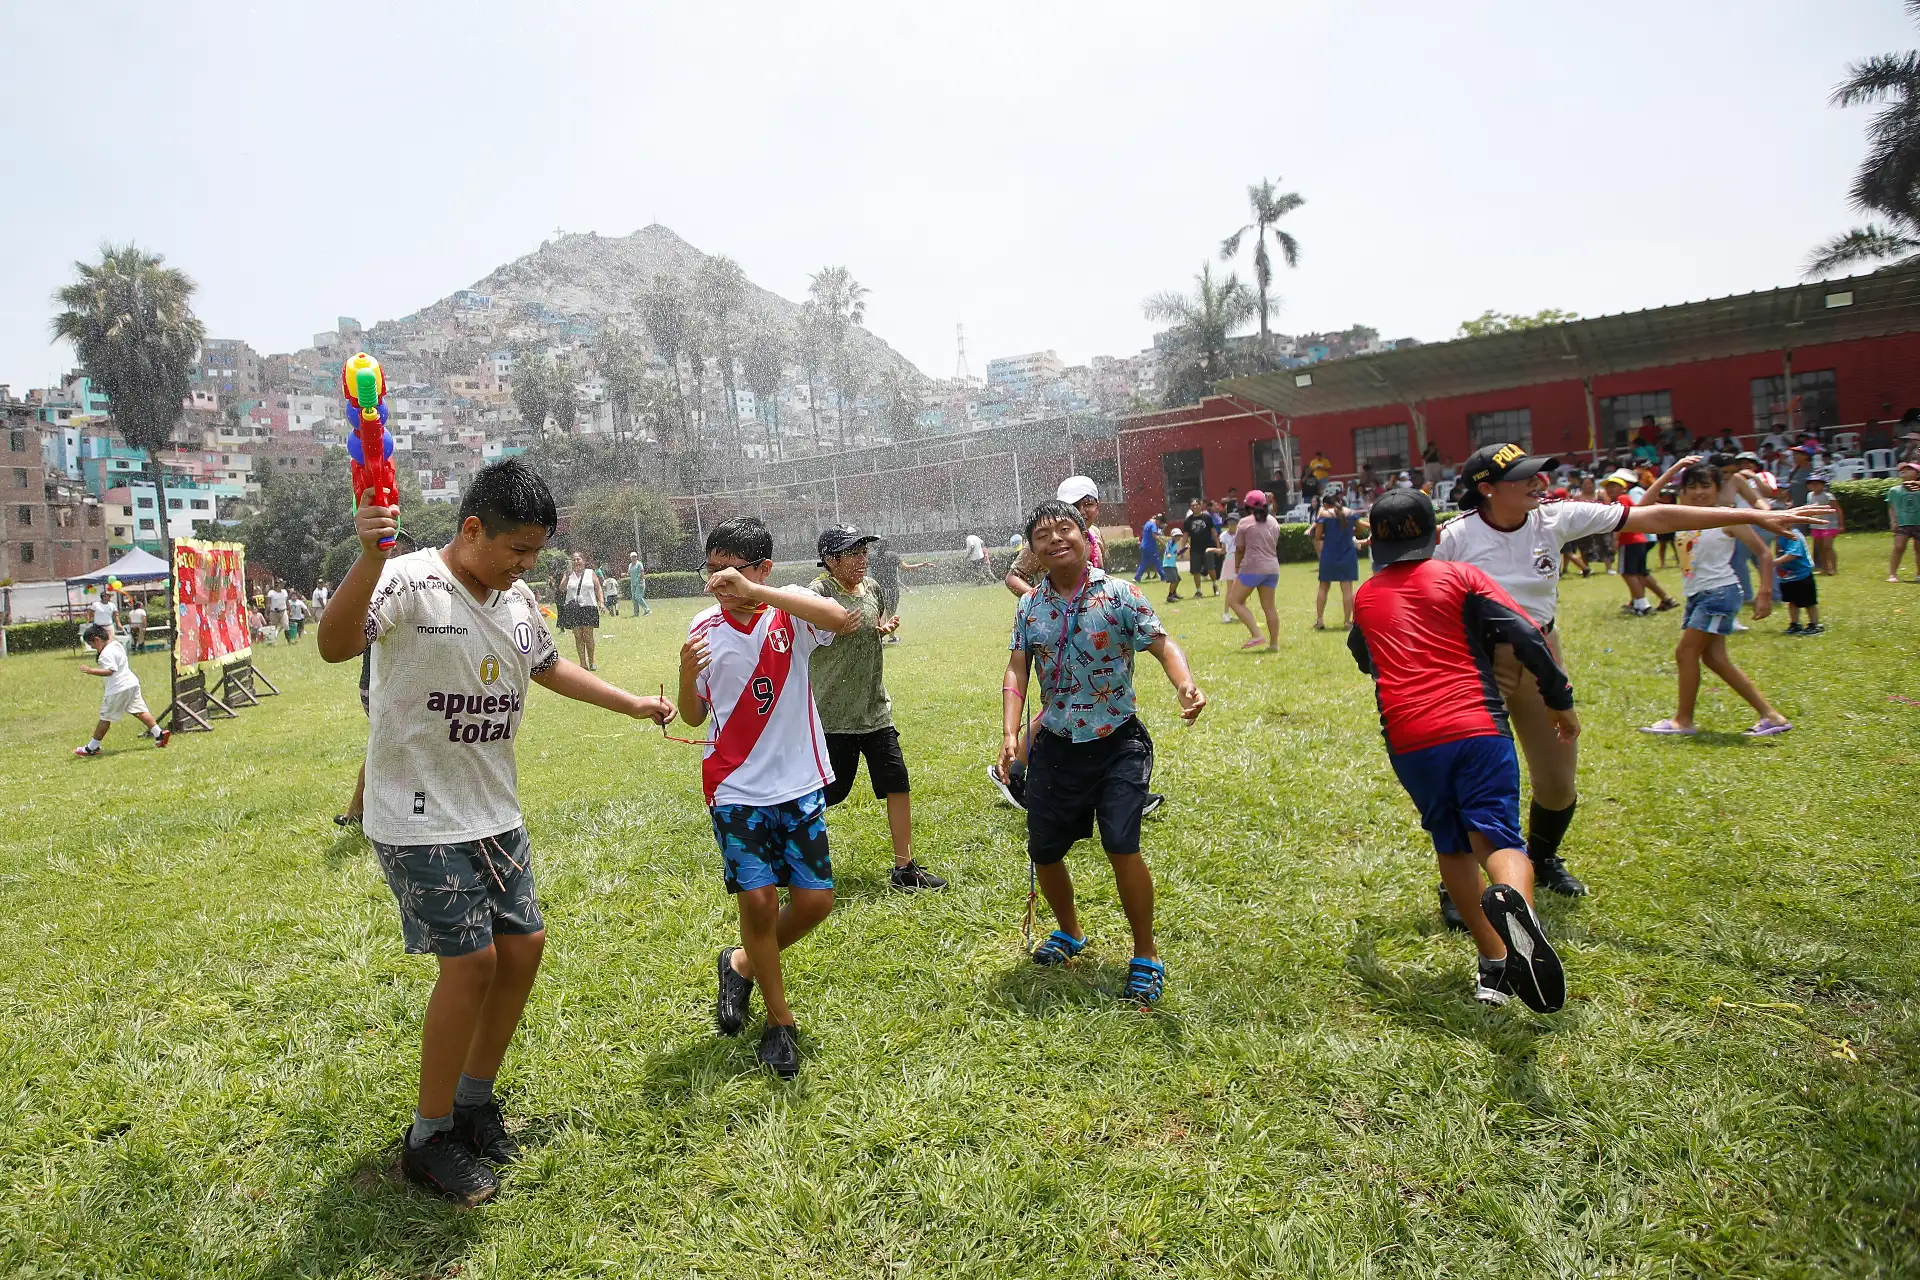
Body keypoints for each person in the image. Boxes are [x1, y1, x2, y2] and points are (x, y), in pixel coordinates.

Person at [315, 459, 672, 1204]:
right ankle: (428, 1137)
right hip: (416, 816)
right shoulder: (408, 580)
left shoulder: (516, 602)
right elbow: (335, 643)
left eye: (537, 553)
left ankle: (474, 1102)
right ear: (471, 528)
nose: (527, 567)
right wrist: (369, 554)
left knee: (525, 948)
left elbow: (548, 669)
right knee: (471, 963)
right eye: (517, 550)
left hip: (493, 811)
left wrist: (632, 703)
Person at [1435, 443, 1830, 917]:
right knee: (1475, 779)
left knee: (1558, 782)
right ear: (1487, 489)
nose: (1539, 484)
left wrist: (1755, 516)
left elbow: (1655, 518)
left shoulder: (1554, 518)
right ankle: (1458, 884)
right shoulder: (1455, 538)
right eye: (1525, 478)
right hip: (1478, 663)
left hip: (1542, 655)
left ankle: (1541, 859)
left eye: (1539, 475)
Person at [1347, 490, 1569, 1011]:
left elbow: (1362, 655)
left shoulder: (1366, 595)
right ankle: (1521, 921)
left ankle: (1494, 963)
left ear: (1374, 542)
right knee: (1498, 837)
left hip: (1409, 739)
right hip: (1476, 726)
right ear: (1438, 535)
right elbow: (1527, 634)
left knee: (1451, 845)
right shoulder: (1461, 576)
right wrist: (1559, 701)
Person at [999, 499, 1205, 1006]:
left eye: (1063, 529)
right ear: (1033, 549)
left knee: (1121, 844)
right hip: (1057, 745)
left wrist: (1185, 684)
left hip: (1117, 744)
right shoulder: (1030, 606)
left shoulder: (1119, 594)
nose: (1054, 540)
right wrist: (1009, 732)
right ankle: (1070, 932)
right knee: (1044, 850)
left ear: (1082, 534)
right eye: (1042, 535)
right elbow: (1017, 669)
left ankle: (1145, 954)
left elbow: (1160, 643)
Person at [680, 517, 857, 1079]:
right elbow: (692, 714)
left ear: (762, 569)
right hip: (734, 786)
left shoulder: (791, 610)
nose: (718, 582)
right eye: (711, 569)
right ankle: (780, 1023)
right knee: (756, 903)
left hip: (800, 781)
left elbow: (843, 619)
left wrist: (755, 594)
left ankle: (738, 964)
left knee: (815, 904)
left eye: (730, 569)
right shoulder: (704, 627)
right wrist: (687, 675)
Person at [807, 524, 947, 892]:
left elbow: (875, 621)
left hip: (875, 708)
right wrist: (833, 627)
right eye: (852, 553)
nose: (862, 559)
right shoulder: (817, 593)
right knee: (833, 792)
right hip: (834, 713)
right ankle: (796, 856)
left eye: (863, 552)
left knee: (897, 781)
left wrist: (882, 629)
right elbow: (806, 635)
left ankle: (905, 868)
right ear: (830, 560)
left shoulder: (873, 589)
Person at [1640, 463, 1792, 737]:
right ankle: (1771, 716)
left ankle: (1683, 721)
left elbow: (1764, 553)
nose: (1699, 492)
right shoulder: (1679, 516)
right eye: (1692, 487)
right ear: (1682, 492)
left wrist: (1765, 592)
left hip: (1719, 593)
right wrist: (1672, 470)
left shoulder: (1727, 517)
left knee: (1685, 653)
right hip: (1698, 594)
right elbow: (1642, 506)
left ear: (1717, 489)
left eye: (1705, 486)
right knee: (1714, 658)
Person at [73, 622, 169, 755]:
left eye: (93, 645)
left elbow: (110, 671)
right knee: (139, 711)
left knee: (105, 717)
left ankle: (92, 747)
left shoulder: (105, 654)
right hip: (131, 683)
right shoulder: (115, 644)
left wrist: (91, 670)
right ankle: (159, 734)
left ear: (97, 640)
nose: (94, 648)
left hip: (118, 688)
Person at [1007, 477, 1107, 596]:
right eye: (1073, 505)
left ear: (1097, 506)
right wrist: (1040, 602)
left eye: (1088, 504)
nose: (1081, 511)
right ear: (1061, 508)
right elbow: (1012, 577)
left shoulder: (1095, 533)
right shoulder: (1044, 541)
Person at [1599, 468, 1676, 617]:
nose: (1610, 489)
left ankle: (1642, 605)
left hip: (1629, 541)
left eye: (1614, 485)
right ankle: (1663, 599)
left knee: (1628, 573)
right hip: (1639, 540)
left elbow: (1620, 522)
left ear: (1623, 487)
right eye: (1608, 486)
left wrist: (1615, 540)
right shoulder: (1624, 499)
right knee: (1640, 573)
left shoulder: (1621, 500)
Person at [1226, 489, 1281, 651]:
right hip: (1272, 568)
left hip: (1252, 567)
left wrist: (1236, 567)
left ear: (1247, 506)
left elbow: (1240, 549)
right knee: (1269, 607)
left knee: (1234, 601)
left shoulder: (1244, 522)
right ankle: (1274, 644)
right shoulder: (1273, 521)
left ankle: (1256, 634)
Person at [1311, 490, 1367, 629]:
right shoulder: (1351, 513)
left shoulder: (1324, 515)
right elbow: (1361, 530)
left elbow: (1317, 536)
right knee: (1347, 589)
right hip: (1347, 554)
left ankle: (1320, 621)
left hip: (1329, 555)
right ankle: (1347, 622)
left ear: (1325, 504)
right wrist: (1349, 532)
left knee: (1324, 587)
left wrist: (1328, 535)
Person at [870, 538, 929, 644]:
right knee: (890, 612)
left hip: (876, 589)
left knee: (879, 613)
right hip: (891, 589)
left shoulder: (872, 557)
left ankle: (881, 638)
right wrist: (921, 565)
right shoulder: (893, 555)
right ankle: (891, 637)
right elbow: (906, 568)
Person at [1773, 524, 1822, 636]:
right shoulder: (1780, 536)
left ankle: (1815, 625)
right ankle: (1795, 624)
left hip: (1802, 575)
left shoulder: (1794, 536)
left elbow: (1793, 554)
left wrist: (1775, 562)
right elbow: (1779, 551)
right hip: (1787, 576)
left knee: (1809, 602)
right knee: (1792, 601)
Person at [559, 551, 604, 670]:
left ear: (583, 562)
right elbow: (562, 589)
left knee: (588, 636)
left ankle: (592, 661)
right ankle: (583, 663)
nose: (576, 561)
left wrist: (602, 603)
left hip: (589, 607)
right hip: (573, 608)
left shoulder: (590, 573)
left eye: (578, 559)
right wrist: (567, 577)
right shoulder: (568, 574)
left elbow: (598, 588)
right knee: (578, 636)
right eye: (573, 560)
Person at [1888, 461, 1920, 582]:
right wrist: (1893, 521)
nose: (1904, 471)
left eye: (1909, 469)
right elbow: (1891, 507)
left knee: (1919, 549)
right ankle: (1892, 574)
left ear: (1917, 474)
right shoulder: (1894, 490)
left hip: (1918, 522)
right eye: (1902, 470)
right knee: (1898, 547)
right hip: (1903, 523)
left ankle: (1919, 574)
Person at [1804, 472, 1842, 575]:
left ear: (1823, 485)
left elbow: (1838, 510)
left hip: (1829, 524)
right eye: (1812, 484)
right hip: (1816, 525)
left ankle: (1833, 568)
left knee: (1827, 547)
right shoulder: (1809, 495)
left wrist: (1841, 524)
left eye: (1817, 483)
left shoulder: (1828, 496)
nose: (1814, 486)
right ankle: (1824, 568)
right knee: (1819, 547)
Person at [1182, 498, 1219, 597]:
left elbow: (1213, 532)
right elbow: (1185, 535)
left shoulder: (1207, 517)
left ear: (1200, 505)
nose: (1195, 507)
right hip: (1195, 549)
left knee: (1211, 568)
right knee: (1196, 571)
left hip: (1207, 547)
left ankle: (1215, 587)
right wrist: (1181, 549)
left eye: (1196, 505)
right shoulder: (1188, 521)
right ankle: (1198, 591)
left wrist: (1218, 546)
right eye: (1192, 505)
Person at [1159, 527, 1185, 603]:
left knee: (1178, 579)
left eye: (1179, 536)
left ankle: (1174, 593)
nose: (1178, 537)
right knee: (1174, 580)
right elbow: (1168, 548)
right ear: (1172, 536)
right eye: (1176, 536)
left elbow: (1177, 554)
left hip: (1172, 565)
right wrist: (1168, 553)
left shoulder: (1175, 544)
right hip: (1168, 565)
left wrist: (1185, 549)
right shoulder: (1171, 542)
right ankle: (1170, 596)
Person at [1134, 512, 1161, 583]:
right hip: (1150, 547)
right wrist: (1162, 543)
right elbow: (1154, 535)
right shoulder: (1153, 525)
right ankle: (1164, 576)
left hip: (1144, 546)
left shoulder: (1147, 524)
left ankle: (1137, 578)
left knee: (1144, 562)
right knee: (1157, 561)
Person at [626, 551, 650, 617]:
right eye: (632, 557)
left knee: (638, 597)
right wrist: (624, 574)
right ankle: (636, 613)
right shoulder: (630, 565)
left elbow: (642, 572)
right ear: (630, 558)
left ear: (636, 557)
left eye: (635, 557)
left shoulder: (639, 564)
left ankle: (647, 610)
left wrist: (642, 580)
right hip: (633, 584)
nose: (634, 558)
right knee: (634, 599)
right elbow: (629, 573)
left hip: (639, 583)